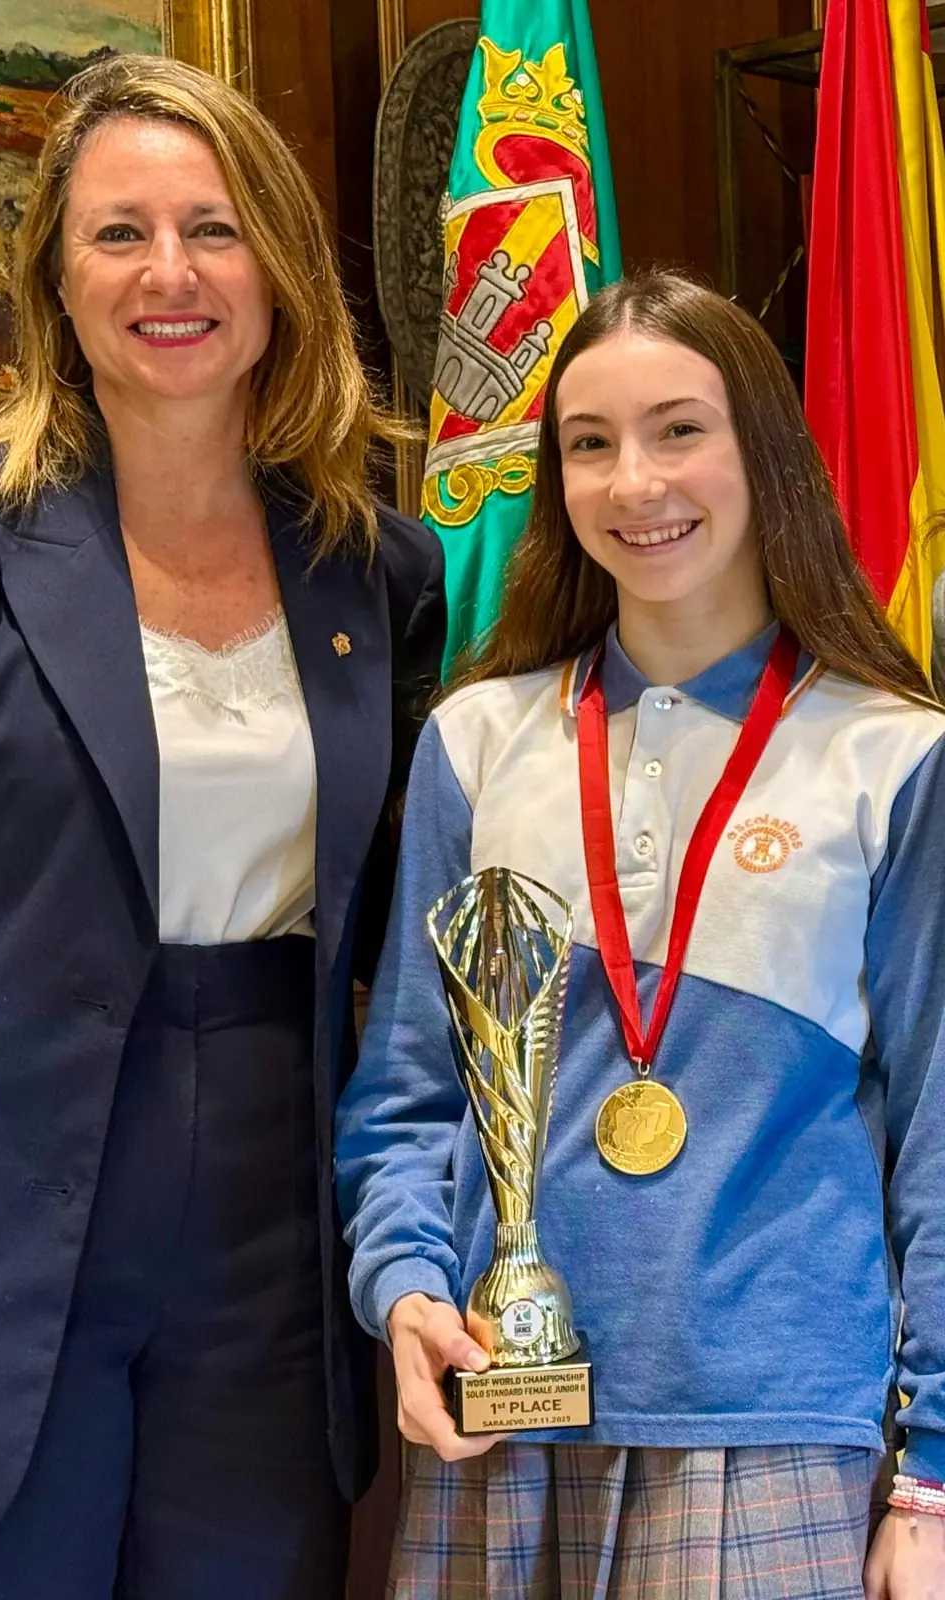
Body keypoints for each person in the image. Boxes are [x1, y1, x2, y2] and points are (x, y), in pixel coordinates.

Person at [0, 53, 445, 1600]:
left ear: (276, 266)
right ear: (55, 279)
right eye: (118, 233)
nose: (169, 273)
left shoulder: (379, 575)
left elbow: (403, 935)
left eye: (212, 227)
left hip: (269, 1247)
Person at [336, 270, 945, 1599]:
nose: (635, 482)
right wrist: (404, 1291)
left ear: (764, 453)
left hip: (776, 1424)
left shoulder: (892, 757)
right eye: (590, 444)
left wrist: (934, 1475)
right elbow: (407, 1094)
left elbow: (942, 1141)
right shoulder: (478, 739)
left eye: (680, 430)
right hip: (502, 1402)